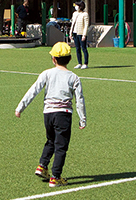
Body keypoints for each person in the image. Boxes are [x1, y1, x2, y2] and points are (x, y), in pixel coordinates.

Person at [15, 41, 87, 187]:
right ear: (70, 59)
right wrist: (83, 119)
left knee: (51, 140)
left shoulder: (46, 73)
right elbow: (80, 99)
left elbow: (33, 90)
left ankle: (42, 165)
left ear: (53, 59)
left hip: (48, 114)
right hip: (63, 114)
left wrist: (20, 107)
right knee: (61, 146)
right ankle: (55, 177)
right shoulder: (73, 77)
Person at [70, 1, 90, 69]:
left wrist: (84, 35)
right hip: (75, 32)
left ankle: (85, 63)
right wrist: (71, 33)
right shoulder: (74, 13)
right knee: (77, 48)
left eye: (77, 5)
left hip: (81, 33)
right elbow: (73, 23)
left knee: (83, 48)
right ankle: (79, 63)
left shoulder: (85, 14)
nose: (76, 7)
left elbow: (86, 25)